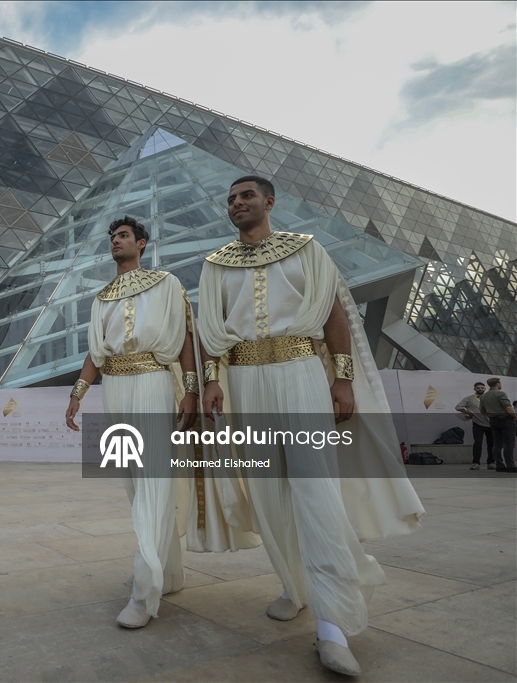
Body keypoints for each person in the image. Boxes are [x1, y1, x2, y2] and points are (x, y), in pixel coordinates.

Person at [197, 176, 425, 676]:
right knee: (266, 491)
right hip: (243, 384)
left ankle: (333, 625)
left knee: (314, 490)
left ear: (269, 202)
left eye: (246, 196)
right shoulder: (215, 264)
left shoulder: (307, 249)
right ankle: (294, 587)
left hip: (301, 373)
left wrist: (341, 382)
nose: (237, 203)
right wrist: (211, 382)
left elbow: (335, 318)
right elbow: (210, 331)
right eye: (231, 199)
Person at [65, 216, 256, 630]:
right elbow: (95, 355)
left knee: (153, 482)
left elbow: (187, 339)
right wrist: (76, 394)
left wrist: (190, 390)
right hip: (114, 388)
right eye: (112, 237)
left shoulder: (167, 284)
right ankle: (167, 573)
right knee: (137, 486)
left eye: (123, 236)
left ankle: (144, 592)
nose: (115, 241)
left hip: (153, 382)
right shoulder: (101, 298)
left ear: (142, 243)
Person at [480, 378, 516, 473]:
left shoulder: (484, 396)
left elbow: (482, 411)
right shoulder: (501, 394)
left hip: (493, 421)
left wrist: (492, 416)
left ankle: (499, 465)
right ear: (497, 383)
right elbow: (508, 407)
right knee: (509, 443)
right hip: (505, 420)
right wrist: (514, 417)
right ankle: (510, 466)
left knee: (497, 444)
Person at [456, 382, 494, 469]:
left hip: (491, 424)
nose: (480, 389)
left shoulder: (490, 398)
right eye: (478, 388)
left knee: (491, 443)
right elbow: (458, 407)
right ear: (474, 389)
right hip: (478, 424)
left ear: (485, 389)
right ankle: (476, 463)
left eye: (482, 388)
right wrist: (469, 413)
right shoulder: (469, 398)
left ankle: (491, 462)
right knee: (477, 443)